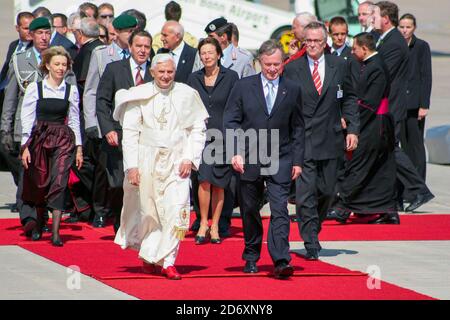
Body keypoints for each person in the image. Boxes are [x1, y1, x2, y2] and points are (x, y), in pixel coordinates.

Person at [114, 54, 208, 280]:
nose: (166, 76)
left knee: (177, 211)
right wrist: (132, 167)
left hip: (177, 162)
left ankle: (169, 261)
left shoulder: (187, 94)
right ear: (153, 72)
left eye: (170, 72)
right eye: (162, 72)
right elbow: (130, 134)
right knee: (150, 212)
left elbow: (198, 129)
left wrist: (189, 158)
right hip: (148, 159)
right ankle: (148, 255)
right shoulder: (139, 94)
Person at [223, 40, 305, 279]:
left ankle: (281, 260)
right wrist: (235, 152)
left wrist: (297, 161)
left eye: (277, 64)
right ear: (259, 62)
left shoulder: (292, 88)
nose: (272, 69)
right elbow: (231, 121)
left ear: (283, 64)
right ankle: (251, 254)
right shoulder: (243, 86)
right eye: (268, 64)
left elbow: (298, 127)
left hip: (281, 157)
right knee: (250, 209)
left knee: (280, 209)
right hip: (249, 157)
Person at [283, 22, 359, 260]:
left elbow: (349, 98)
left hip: (330, 137)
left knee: (327, 191)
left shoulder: (340, 65)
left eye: (317, 41)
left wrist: (353, 129)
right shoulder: (293, 68)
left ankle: (315, 227)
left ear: (325, 42)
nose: (313, 45)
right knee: (305, 195)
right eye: (309, 41)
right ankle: (311, 240)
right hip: (303, 140)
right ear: (304, 42)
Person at [1, 17, 76, 236]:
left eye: (47, 32)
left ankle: (44, 216)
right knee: (29, 174)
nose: (44, 37)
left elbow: (70, 93)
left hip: (53, 129)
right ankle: (31, 218)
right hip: (26, 126)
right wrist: (5, 127)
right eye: (39, 33)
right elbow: (11, 95)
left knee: (51, 175)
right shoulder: (20, 59)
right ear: (31, 35)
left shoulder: (59, 59)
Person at [328, 32, 396, 223]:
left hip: (376, 124)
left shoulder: (376, 67)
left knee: (359, 164)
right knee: (378, 169)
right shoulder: (370, 65)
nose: (352, 51)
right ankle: (386, 209)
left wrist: (348, 118)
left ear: (364, 48)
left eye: (355, 48)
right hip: (373, 122)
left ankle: (343, 206)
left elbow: (368, 103)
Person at [374, 1, 433, 216]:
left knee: (392, 149)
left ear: (385, 18)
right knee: (388, 151)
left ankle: (419, 190)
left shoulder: (394, 42)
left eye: (374, 14)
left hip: (394, 106)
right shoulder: (386, 38)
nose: (372, 18)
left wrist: (423, 104)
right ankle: (397, 197)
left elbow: (382, 73)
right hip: (391, 105)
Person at [20, 46, 83, 246]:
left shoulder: (71, 90)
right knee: (41, 182)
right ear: (47, 65)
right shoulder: (35, 88)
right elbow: (27, 117)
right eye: (57, 64)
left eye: (64, 65)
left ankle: (56, 232)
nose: (61, 68)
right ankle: (39, 222)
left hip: (63, 139)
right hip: (40, 137)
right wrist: (24, 146)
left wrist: (79, 147)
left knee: (59, 181)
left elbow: (74, 120)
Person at [82, 14, 137, 228]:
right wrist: (92, 123)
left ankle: (123, 215)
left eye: (134, 31)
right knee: (106, 173)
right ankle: (101, 211)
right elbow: (92, 91)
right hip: (108, 123)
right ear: (119, 33)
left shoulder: (142, 53)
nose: (132, 35)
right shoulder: (102, 54)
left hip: (132, 125)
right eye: (128, 32)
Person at [95, 30, 153, 231]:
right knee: (119, 183)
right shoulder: (114, 69)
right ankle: (119, 221)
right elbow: (102, 101)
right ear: (130, 47)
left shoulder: (156, 71)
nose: (143, 50)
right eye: (139, 46)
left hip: (147, 138)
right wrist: (108, 129)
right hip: (118, 136)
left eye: (147, 46)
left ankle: (139, 224)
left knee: (143, 184)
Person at [187, 37, 239, 244]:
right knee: (204, 180)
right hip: (201, 137)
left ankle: (216, 225)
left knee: (219, 183)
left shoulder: (231, 77)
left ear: (219, 54)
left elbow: (236, 106)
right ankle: (202, 222)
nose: (206, 56)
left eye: (210, 52)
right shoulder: (193, 78)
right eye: (203, 53)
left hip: (223, 136)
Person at [0, 11, 34, 205]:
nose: (30, 32)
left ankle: (23, 196)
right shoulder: (14, 46)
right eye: (26, 28)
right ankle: (21, 188)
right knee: (7, 150)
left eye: (32, 28)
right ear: (17, 28)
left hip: (26, 110)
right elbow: (6, 74)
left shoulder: (35, 53)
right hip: (9, 103)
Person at [398, 13, 432, 182]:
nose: (405, 30)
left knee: (416, 146)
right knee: (403, 146)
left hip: (415, 105)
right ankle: (407, 185)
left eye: (408, 27)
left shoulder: (421, 46)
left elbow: (426, 76)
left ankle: (419, 184)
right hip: (399, 105)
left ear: (414, 28)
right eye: (402, 27)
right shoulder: (396, 45)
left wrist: (424, 104)